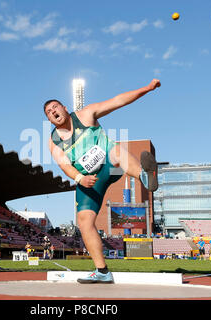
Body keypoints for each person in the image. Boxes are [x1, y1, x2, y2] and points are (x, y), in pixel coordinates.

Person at [45, 79, 161, 284]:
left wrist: (147, 88)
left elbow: (118, 101)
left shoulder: (86, 114)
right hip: (89, 180)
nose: (53, 111)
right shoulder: (54, 141)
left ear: (65, 108)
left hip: (111, 167)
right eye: (48, 112)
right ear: (50, 120)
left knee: (114, 150)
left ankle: (144, 175)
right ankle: (102, 271)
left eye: (55, 107)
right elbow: (64, 165)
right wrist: (81, 178)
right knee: (84, 222)